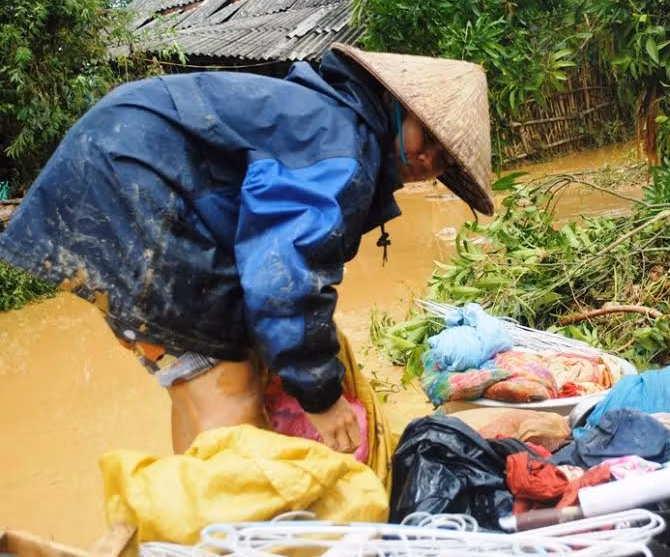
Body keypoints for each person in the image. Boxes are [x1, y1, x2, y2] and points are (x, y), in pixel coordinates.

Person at [0, 43, 494, 484]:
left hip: (110, 168)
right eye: (426, 135)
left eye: (445, 158)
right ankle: (233, 534)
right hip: (138, 182)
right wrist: (320, 396)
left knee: (194, 386)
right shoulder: (339, 144)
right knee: (232, 389)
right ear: (396, 107)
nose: (430, 158)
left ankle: (193, 529)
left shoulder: (326, 124)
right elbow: (284, 274)